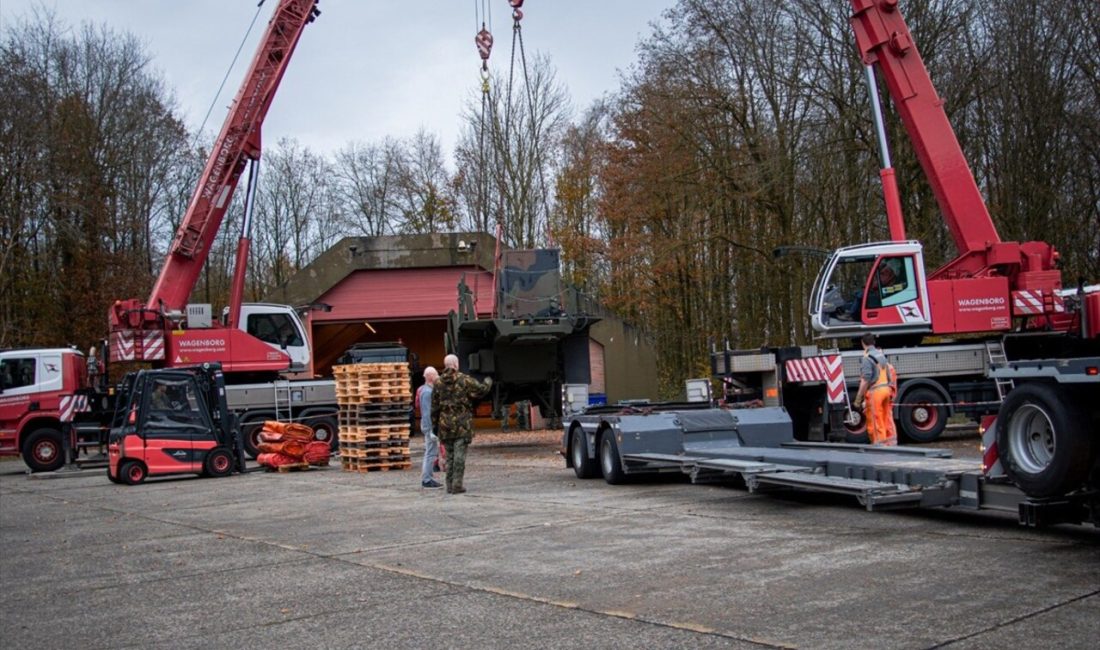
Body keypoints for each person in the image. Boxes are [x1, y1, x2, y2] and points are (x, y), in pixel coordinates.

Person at [431, 354, 492, 494]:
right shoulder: (464, 380)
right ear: (456, 364)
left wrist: (435, 425)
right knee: (459, 455)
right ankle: (457, 484)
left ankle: (449, 484)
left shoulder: (438, 383)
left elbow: (434, 407)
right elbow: (482, 390)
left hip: (445, 424)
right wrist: (488, 380)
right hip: (462, 423)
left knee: (450, 455)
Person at [853, 332, 897, 446]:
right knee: (886, 418)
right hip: (886, 390)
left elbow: (865, 380)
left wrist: (858, 399)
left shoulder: (867, 358)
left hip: (875, 393)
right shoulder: (880, 355)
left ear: (863, 343)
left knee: (876, 420)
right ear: (874, 342)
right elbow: (888, 373)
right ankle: (891, 444)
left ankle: (879, 446)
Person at [417, 366, 443, 489]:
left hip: (428, 426)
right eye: (437, 374)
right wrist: (431, 430)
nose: (438, 376)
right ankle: (427, 479)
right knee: (430, 453)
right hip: (429, 427)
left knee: (431, 452)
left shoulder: (427, 390)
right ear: (431, 376)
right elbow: (427, 413)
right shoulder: (427, 392)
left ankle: (428, 477)